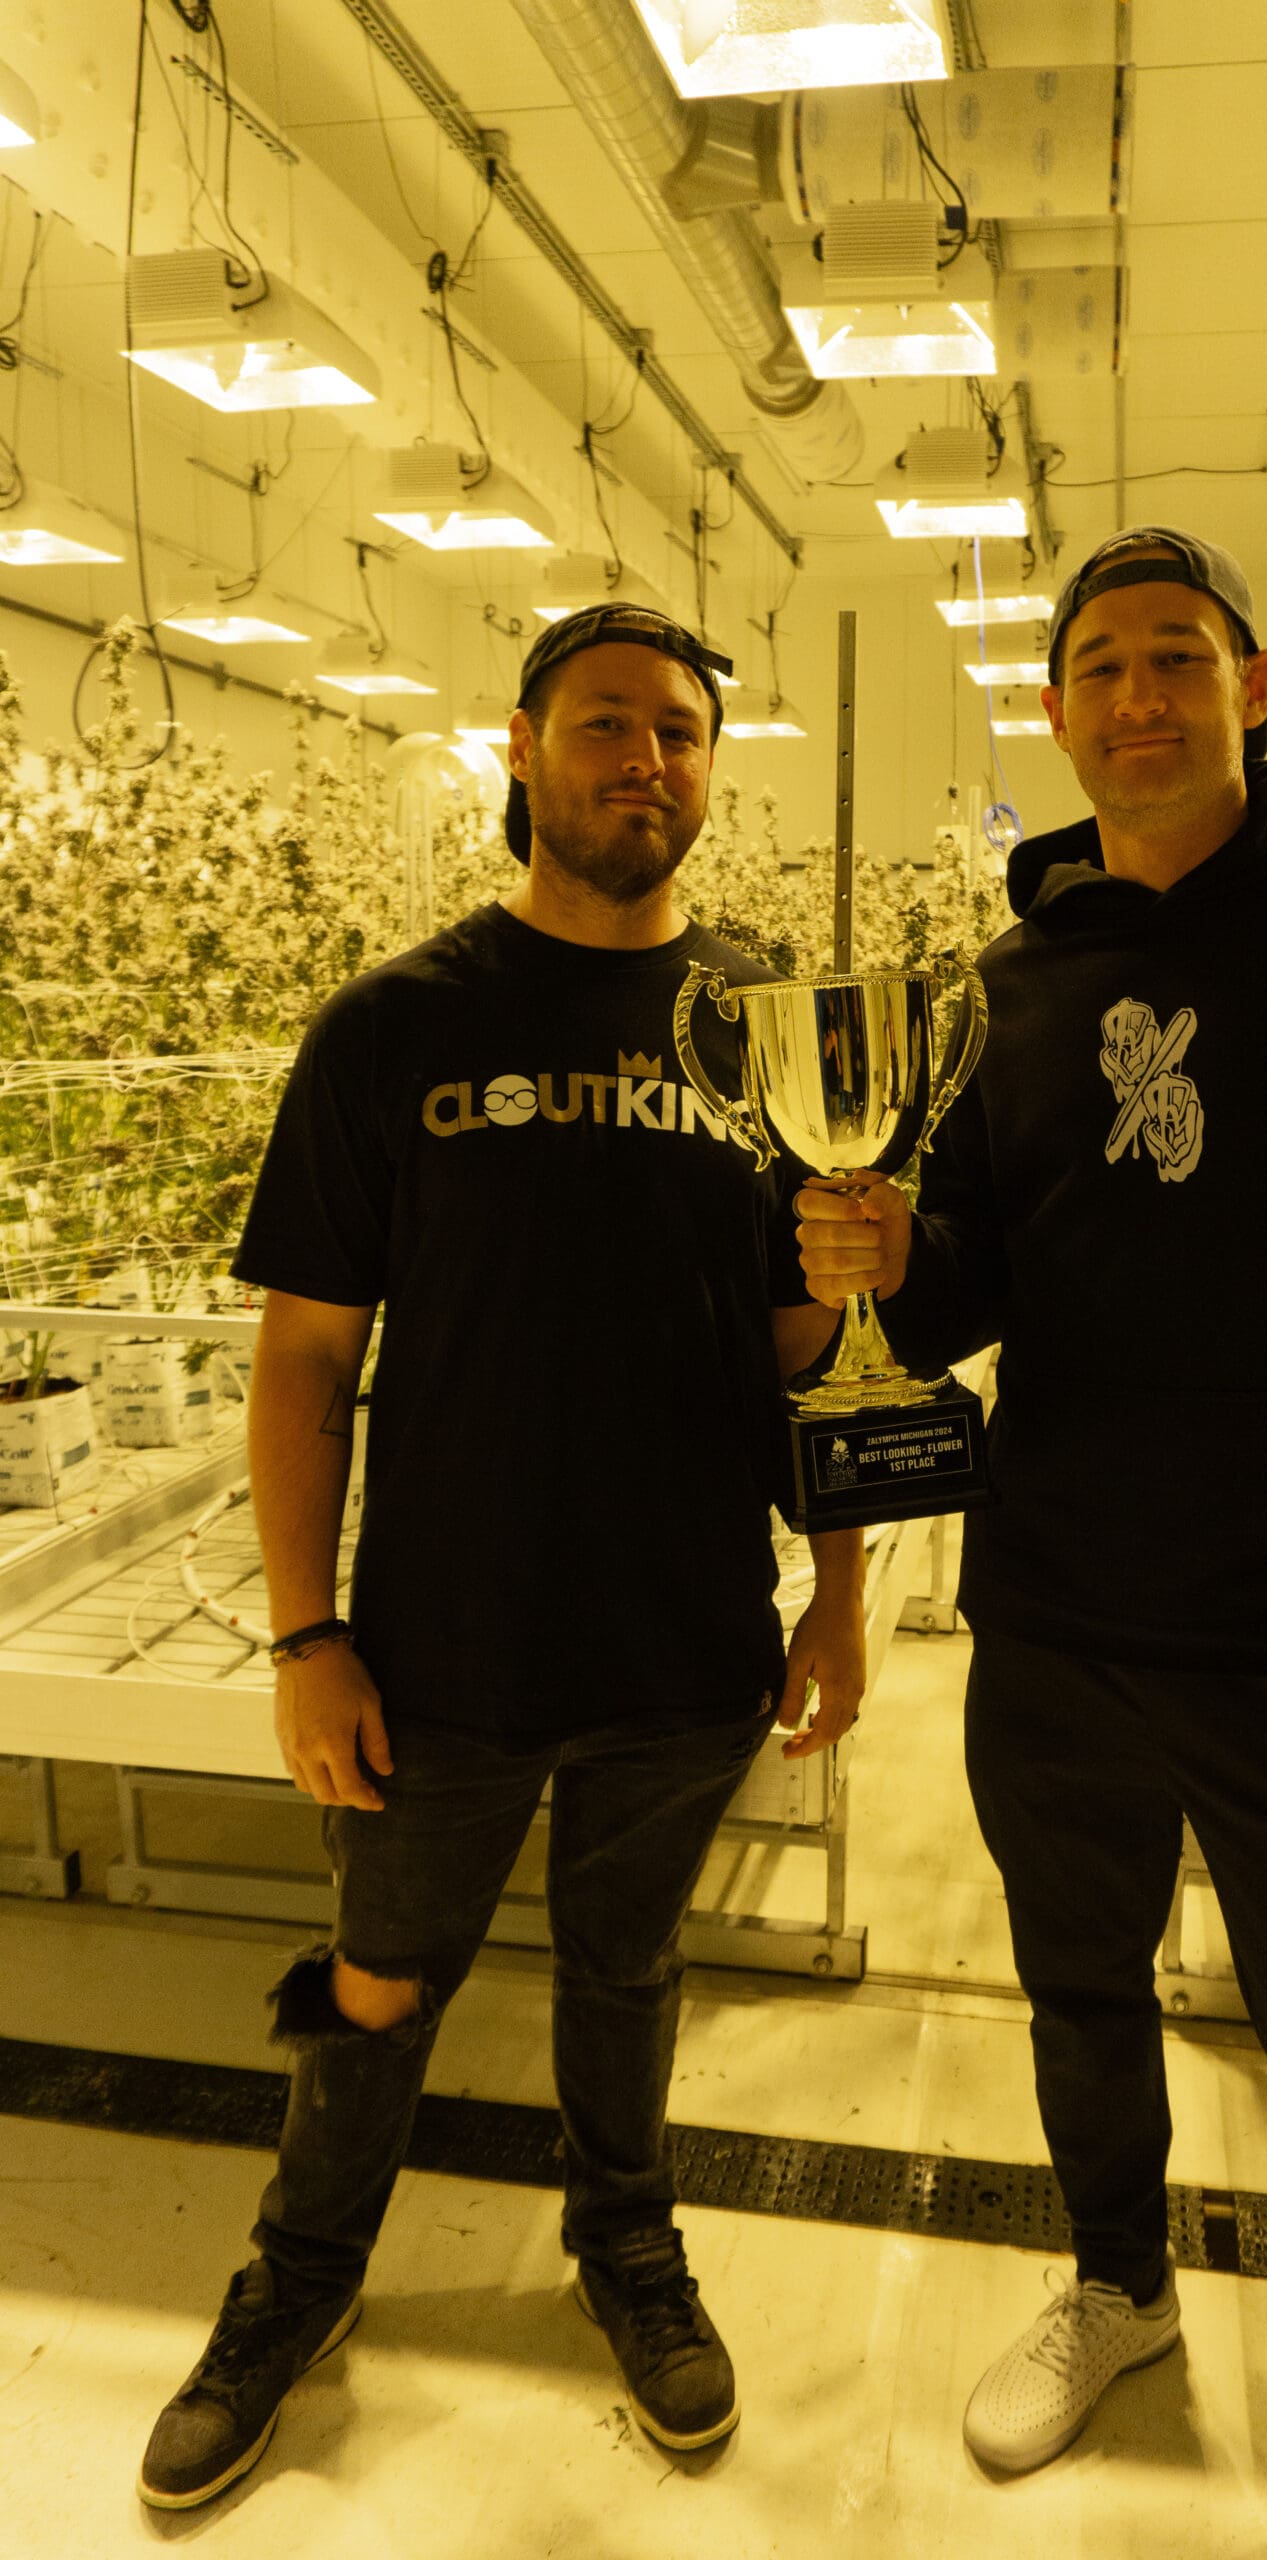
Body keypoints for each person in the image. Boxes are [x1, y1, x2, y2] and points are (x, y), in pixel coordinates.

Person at [796, 529, 1267, 2560]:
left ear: (1253, 685)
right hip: (1053, 1613)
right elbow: (971, 1281)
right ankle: (1118, 2285)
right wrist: (886, 1249)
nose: (1138, 696)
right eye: (1102, 666)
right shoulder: (1011, 987)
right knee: (1078, 1989)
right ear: (1054, 710)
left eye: (1177, 658)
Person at [138, 604, 863, 2510]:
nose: (646, 760)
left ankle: (626, 2243)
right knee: (380, 1975)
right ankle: (300, 2277)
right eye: (604, 723)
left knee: (631, 1968)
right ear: (521, 752)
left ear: (710, 768)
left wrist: (844, 1593)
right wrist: (307, 1638)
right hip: (438, 1642)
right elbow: (307, 1360)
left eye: (679, 731)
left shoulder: (767, 1031)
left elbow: (810, 1349)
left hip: (687, 1635)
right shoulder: (398, 1027)